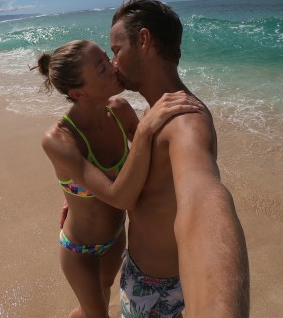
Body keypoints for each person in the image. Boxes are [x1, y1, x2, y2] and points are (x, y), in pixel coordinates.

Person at [37, 40, 204, 318]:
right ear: (78, 93)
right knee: (96, 314)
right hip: (80, 250)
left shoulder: (120, 110)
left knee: (101, 296)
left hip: (115, 238)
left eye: (108, 58)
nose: (114, 67)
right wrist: (145, 129)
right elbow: (119, 196)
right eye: (102, 68)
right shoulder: (58, 138)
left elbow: (151, 163)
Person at [110, 0, 250, 317]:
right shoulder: (158, 110)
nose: (113, 62)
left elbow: (203, 198)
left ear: (143, 40)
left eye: (116, 50)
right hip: (148, 276)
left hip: (156, 292)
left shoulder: (185, 120)